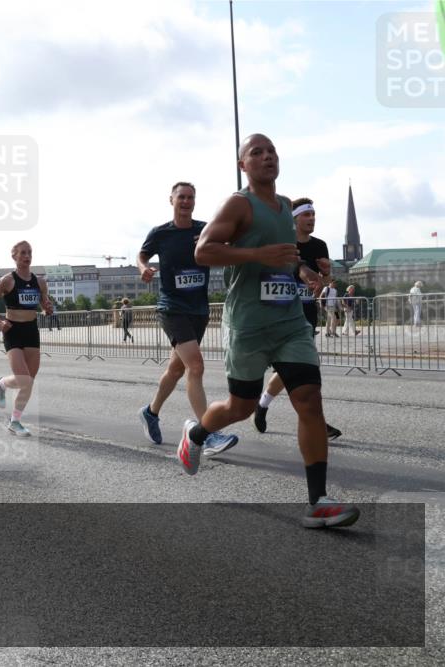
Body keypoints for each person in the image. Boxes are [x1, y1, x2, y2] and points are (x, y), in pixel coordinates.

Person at [177, 133, 359, 528]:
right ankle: (195, 436)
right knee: (238, 408)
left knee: (309, 399)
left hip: (290, 321)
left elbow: (284, 255)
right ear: (243, 165)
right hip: (249, 323)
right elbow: (203, 250)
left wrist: (302, 270)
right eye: (255, 153)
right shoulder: (238, 204)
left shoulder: (283, 209)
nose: (266, 157)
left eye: (272, 151)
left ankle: (318, 501)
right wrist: (255, 255)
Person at [136, 181, 238, 455]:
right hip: (172, 307)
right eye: (181, 197)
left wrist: (216, 244)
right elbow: (142, 255)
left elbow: (230, 244)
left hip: (198, 309)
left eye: (190, 197)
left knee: (177, 369)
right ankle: (207, 434)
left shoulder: (204, 229)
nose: (186, 201)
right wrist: (144, 268)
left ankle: (150, 412)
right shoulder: (160, 233)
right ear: (171, 200)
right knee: (196, 366)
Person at [253, 197, 342, 440]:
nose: (312, 219)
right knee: (304, 371)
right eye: (306, 215)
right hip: (281, 317)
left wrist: (326, 274)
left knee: (290, 371)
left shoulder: (320, 246)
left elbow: (320, 285)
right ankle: (316, 424)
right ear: (294, 219)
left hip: (307, 315)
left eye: (313, 214)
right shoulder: (282, 243)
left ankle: (261, 405)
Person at [0, 240, 54, 437]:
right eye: (22, 253)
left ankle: (3, 388)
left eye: (29, 252)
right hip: (12, 330)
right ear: (14, 256)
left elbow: (45, 305)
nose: (27, 256)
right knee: (24, 380)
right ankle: (14, 420)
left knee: (29, 380)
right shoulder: (7, 280)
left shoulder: (40, 283)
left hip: (31, 330)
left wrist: (48, 309)